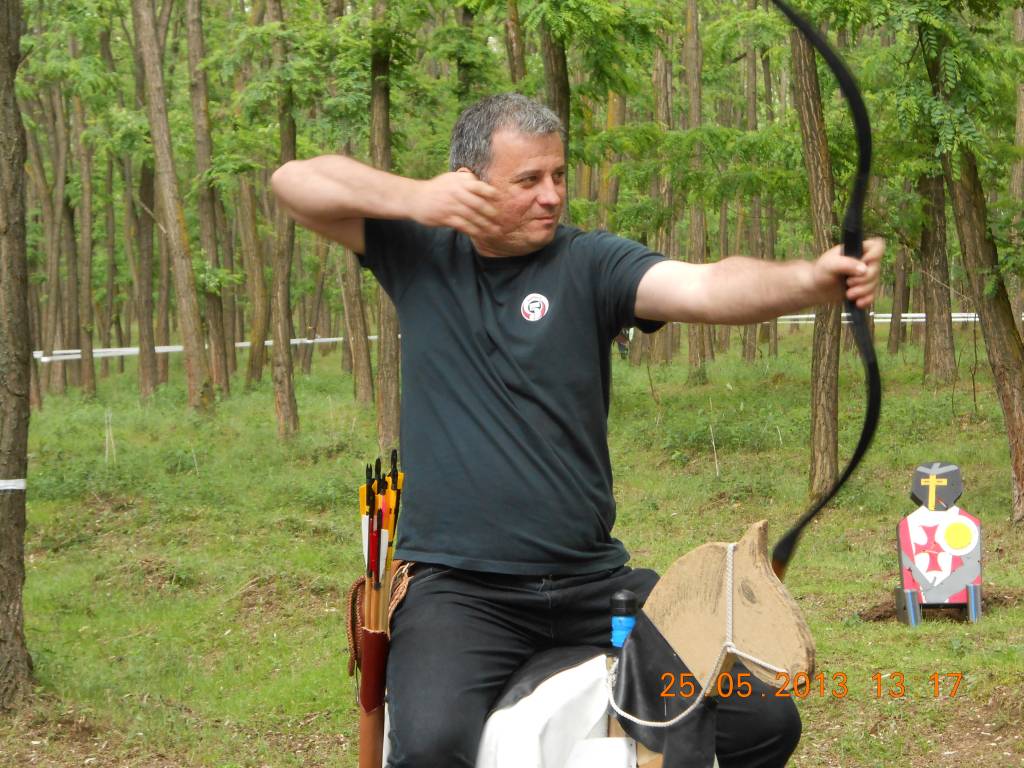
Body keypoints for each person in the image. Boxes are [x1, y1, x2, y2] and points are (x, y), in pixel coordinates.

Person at [272, 93, 883, 768]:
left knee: (760, 722)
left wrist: (810, 281)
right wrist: (415, 197)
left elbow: (706, 287)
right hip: (460, 591)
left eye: (559, 174)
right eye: (529, 180)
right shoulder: (418, 252)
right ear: (469, 184)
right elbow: (294, 182)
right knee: (430, 749)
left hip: (594, 585)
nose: (552, 195)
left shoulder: (590, 264)